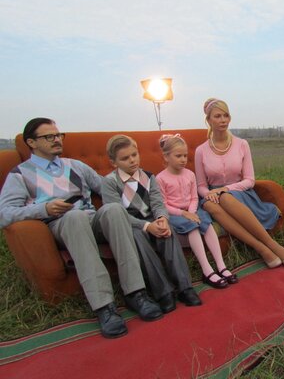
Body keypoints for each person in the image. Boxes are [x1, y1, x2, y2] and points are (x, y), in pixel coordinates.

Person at [0, 118, 163, 339]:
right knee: (75, 216)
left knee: (114, 209)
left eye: (59, 135)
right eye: (49, 136)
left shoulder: (75, 166)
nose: (57, 140)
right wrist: (44, 208)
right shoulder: (20, 174)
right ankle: (104, 306)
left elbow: (108, 186)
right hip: (60, 224)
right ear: (31, 142)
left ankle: (136, 292)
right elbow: (5, 213)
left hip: (92, 220)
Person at [102, 135, 202, 313]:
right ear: (113, 162)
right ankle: (163, 291)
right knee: (138, 238)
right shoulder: (110, 182)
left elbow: (157, 203)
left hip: (151, 218)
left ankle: (185, 287)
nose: (132, 160)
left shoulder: (148, 177)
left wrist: (162, 219)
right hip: (130, 224)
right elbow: (117, 214)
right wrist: (147, 227)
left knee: (167, 232)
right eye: (125, 158)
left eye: (134, 155)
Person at [194, 98, 284, 268]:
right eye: (217, 116)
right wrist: (210, 193)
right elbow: (201, 186)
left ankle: (272, 244)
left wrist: (225, 189)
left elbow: (249, 180)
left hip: (240, 193)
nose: (223, 120)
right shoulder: (201, 151)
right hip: (213, 197)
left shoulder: (241, 144)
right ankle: (262, 249)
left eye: (226, 115)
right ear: (208, 120)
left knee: (225, 197)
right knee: (209, 205)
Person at [156, 133, 238, 289]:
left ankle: (221, 266)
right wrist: (184, 214)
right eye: (178, 156)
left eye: (185, 156)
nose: (183, 159)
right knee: (192, 227)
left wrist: (192, 212)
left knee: (206, 223)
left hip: (192, 209)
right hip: (174, 214)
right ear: (166, 157)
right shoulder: (160, 178)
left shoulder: (190, 175)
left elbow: (194, 197)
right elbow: (163, 204)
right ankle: (207, 270)